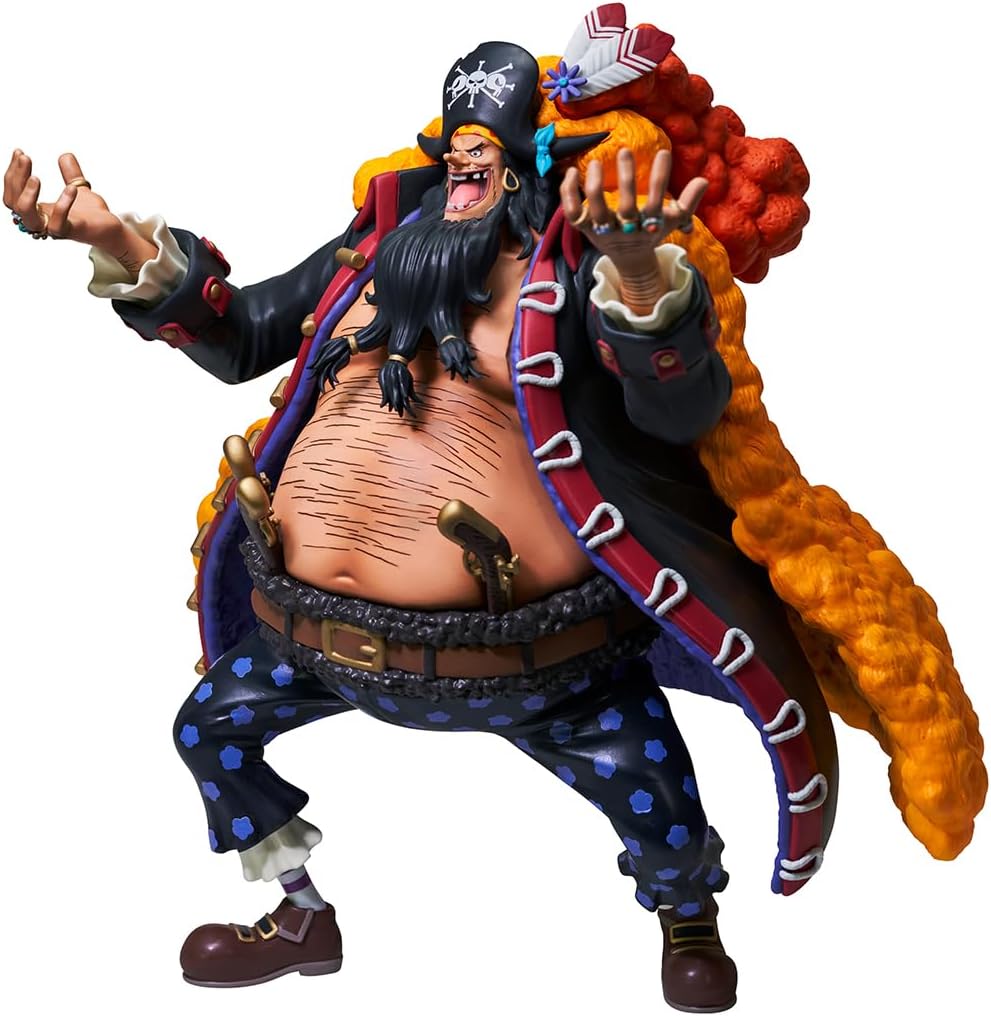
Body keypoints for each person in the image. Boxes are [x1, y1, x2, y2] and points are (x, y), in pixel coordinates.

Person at [3, 8, 984, 1013]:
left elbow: (679, 407)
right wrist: (117, 242)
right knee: (209, 731)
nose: (466, 167)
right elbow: (241, 333)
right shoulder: (372, 257)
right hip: (313, 638)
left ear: (532, 166)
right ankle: (300, 914)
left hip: (540, 663)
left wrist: (640, 275)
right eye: (455, 150)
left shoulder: (572, 277)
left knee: (655, 798)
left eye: (489, 153)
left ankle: (687, 917)